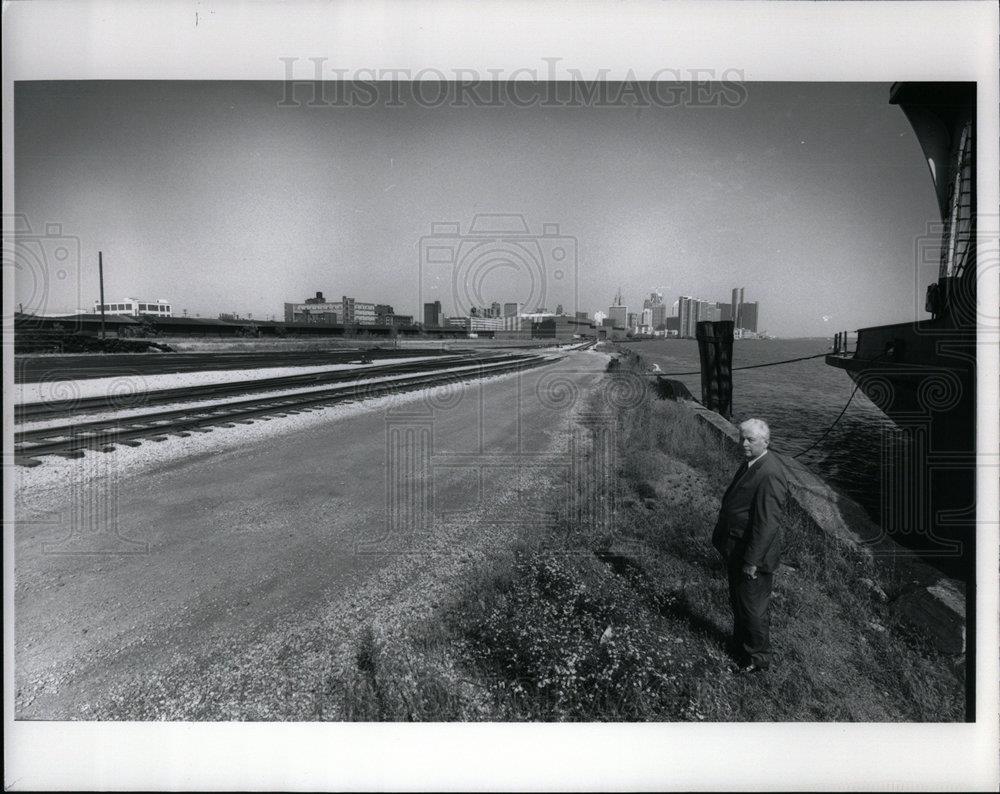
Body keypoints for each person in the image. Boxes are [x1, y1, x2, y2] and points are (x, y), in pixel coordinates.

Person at [712, 418, 788, 673]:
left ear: (765, 442)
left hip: (751, 555)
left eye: (750, 439)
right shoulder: (753, 463)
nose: (743, 443)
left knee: (753, 608)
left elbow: (767, 524)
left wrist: (751, 561)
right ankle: (740, 647)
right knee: (740, 602)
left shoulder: (770, 473)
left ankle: (758, 659)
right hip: (738, 548)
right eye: (741, 437)